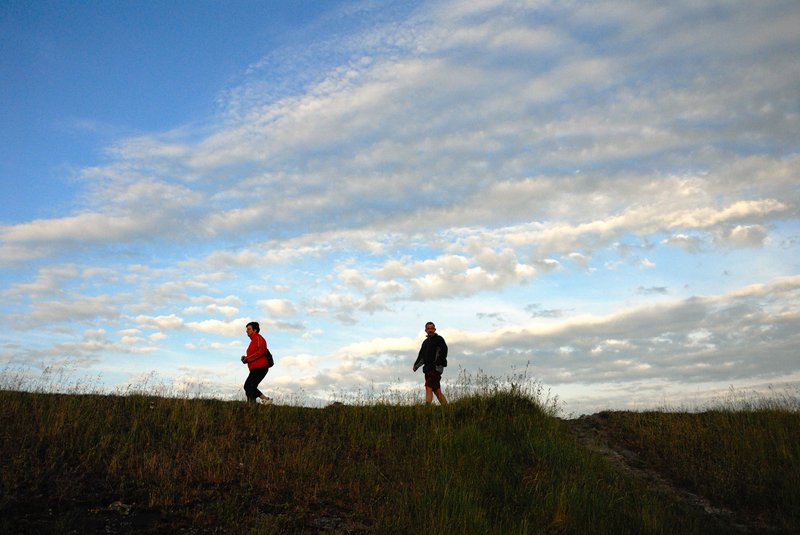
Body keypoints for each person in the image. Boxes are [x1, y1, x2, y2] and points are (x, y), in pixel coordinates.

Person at [412, 321, 448, 405]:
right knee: (436, 390)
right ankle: (446, 407)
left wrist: (438, 362)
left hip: (436, 368)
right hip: (428, 369)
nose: (430, 330)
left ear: (435, 329)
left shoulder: (439, 339)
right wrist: (416, 366)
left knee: (428, 386)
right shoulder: (425, 342)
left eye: (432, 328)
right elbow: (421, 356)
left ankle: (427, 407)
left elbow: (444, 351)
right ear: (426, 330)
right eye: (428, 329)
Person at [241, 321, 272, 404]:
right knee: (250, 387)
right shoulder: (253, 341)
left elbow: (261, 351)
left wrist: (247, 359)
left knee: (248, 385)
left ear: (255, 330)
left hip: (261, 367)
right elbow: (254, 354)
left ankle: (265, 400)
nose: (246, 331)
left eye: (249, 329)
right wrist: (245, 358)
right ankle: (253, 404)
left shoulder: (259, 338)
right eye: (246, 329)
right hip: (255, 368)